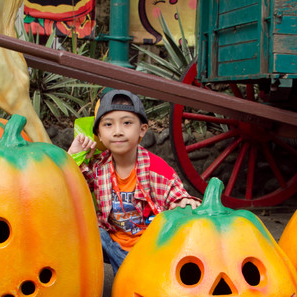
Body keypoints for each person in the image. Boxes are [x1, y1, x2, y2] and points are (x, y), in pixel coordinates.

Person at [68, 89, 201, 274]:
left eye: (127, 123)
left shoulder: (157, 168)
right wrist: (74, 156)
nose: (117, 131)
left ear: (142, 129)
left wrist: (185, 202)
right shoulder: (99, 168)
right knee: (89, 232)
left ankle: (131, 273)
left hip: (150, 245)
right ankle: (130, 272)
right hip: (111, 245)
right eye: (108, 125)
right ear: (98, 133)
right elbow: (69, 188)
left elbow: (176, 195)